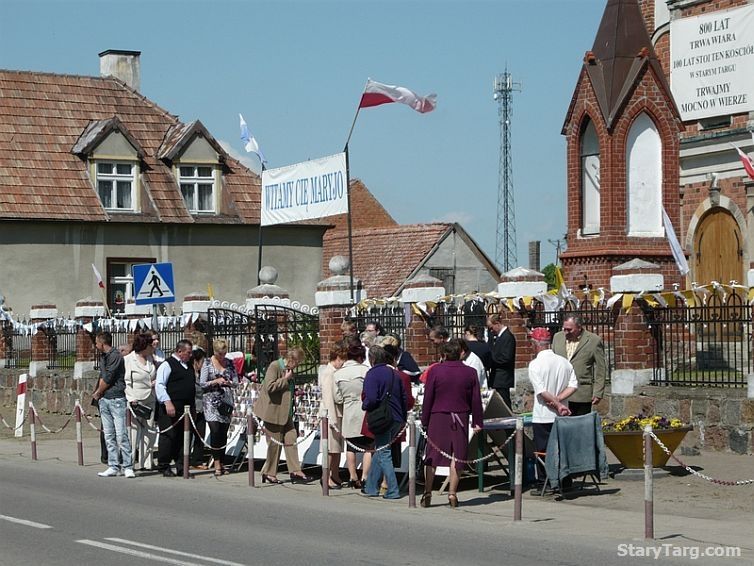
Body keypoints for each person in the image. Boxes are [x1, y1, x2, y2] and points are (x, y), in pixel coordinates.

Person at [421, 339, 482, 508]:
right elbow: (476, 399)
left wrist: (425, 419)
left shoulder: (436, 371)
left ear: (444, 354)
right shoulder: (470, 372)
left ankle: (427, 491)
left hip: (438, 416)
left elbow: (428, 397)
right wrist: (477, 421)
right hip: (460, 415)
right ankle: (452, 493)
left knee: (432, 455)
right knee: (458, 455)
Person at [254, 347, 313, 484]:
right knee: (274, 444)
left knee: (291, 438)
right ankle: (269, 473)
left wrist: (294, 390)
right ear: (291, 359)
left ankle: (295, 471)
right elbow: (269, 387)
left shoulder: (289, 370)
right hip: (273, 411)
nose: (297, 366)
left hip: (286, 413)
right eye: (297, 362)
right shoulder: (275, 366)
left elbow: (286, 388)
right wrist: (285, 379)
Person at [528, 327, 577, 485]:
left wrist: (555, 402)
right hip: (562, 414)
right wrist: (560, 400)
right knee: (562, 448)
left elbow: (542, 391)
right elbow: (573, 385)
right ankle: (565, 480)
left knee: (543, 450)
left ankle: (545, 481)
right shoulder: (564, 362)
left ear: (536, 344)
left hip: (543, 415)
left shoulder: (535, 364)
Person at [361, 345, 407, 500]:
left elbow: (371, 398)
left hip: (382, 417)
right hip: (397, 417)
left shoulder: (372, 374)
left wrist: (365, 405)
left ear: (371, 359)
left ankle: (393, 489)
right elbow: (403, 397)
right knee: (380, 450)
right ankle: (371, 486)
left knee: (384, 452)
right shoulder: (395, 373)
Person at [93, 331, 134, 478]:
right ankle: (113, 465)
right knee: (108, 435)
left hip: (116, 398)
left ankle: (128, 466)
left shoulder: (115, 356)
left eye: (97, 342)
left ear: (102, 343)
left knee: (121, 434)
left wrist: (98, 392)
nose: (96, 345)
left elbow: (108, 377)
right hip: (105, 399)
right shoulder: (103, 356)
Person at [333, 339, 371, 488]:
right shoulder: (365, 371)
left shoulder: (338, 374)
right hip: (364, 410)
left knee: (351, 446)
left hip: (348, 409)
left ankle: (352, 476)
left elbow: (337, 398)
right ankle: (365, 477)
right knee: (369, 446)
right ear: (361, 357)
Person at [154, 340, 195, 477]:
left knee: (183, 437)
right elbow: (159, 385)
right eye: (188, 352)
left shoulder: (188, 365)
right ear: (179, 351)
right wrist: (167, 402)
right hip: (170, 406)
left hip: (186, 408)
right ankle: (164, 465)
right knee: (168, 436)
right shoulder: (167, 364)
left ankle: (181, 465)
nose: (190, 355)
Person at [552, 315, 606, 416]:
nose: (566, 332)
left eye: (569, 329)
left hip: (581, 394)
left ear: (579, 327)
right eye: (564, 329)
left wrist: (598, 392)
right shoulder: (557, 337)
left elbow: (601, 368)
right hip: (560, 393)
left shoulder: (593, 341)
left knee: (580, 427)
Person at [199, 338, 239, 477]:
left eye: (224, 353)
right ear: (215, 351)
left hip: (226, 400)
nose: (222, 356)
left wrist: (228, 382)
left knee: (223, 432)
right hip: (211, 400)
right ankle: (216, 462)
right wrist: (215, 381)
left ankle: (222, 461)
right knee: (215, 430)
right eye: (220, 354)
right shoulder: (207, 363)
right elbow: (202, 383)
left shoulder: (230, 363)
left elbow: (236, 381)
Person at [124, 333, 157, 472]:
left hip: (150, 398)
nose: (153, 346)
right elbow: (126, 382)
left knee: (149, 431)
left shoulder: (150, 359)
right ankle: (129, 463)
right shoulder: (128, 360)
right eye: (151, 344)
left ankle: (146, 462)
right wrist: (131, 399)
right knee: (133, 432)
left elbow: (153, 375)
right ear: (144, 346)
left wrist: (154, 383)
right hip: (135, 400)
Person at [319, 341, 347, 489]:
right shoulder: (329, 373)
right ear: (335, 357)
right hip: (331, 415)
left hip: (337, 414)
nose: (342, 363)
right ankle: (327, 476)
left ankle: (334, 474)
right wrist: (331, 418)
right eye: (341, 360)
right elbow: (328, 397)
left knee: (337, 449)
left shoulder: (334, 372)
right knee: (331, 449)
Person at [486, 313, 517, 409]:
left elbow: (506, 358)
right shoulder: (497, 337)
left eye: (491, 328)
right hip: (496, 377)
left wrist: (491, 360)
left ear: (497, 323)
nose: (491, 331)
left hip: (503, 377)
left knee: (504, 403)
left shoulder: (508, 337)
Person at [190, 348, 210, 470]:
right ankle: (184, 458)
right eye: (202, 361)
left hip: (202, 408)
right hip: (192, 408)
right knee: (188, 434)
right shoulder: (189, 373)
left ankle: (197, 460)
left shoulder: (202, 374)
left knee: (200, 434)